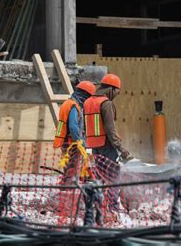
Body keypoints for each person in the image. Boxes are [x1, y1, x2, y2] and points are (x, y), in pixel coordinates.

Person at [84, 73, 130, 212]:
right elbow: (110, 129)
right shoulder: (106, 103)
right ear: (111, 89)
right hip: (106, 146)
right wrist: (122, 149)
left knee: (99, 177)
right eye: (117, 91)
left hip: (95, 146)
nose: (116, 94)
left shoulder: (88, 102)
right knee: (114, 177)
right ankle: (113, 208)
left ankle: (97, 205)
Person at [54, 81, 96, 184]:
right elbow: (73, 126)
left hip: (66, 141)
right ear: (84, 95)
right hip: (72, 142)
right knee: (73, 168)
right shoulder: (73, 106)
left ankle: (67, 186)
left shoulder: (68, 103)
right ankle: (69, 189)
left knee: (69, 167)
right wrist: (79, 142)